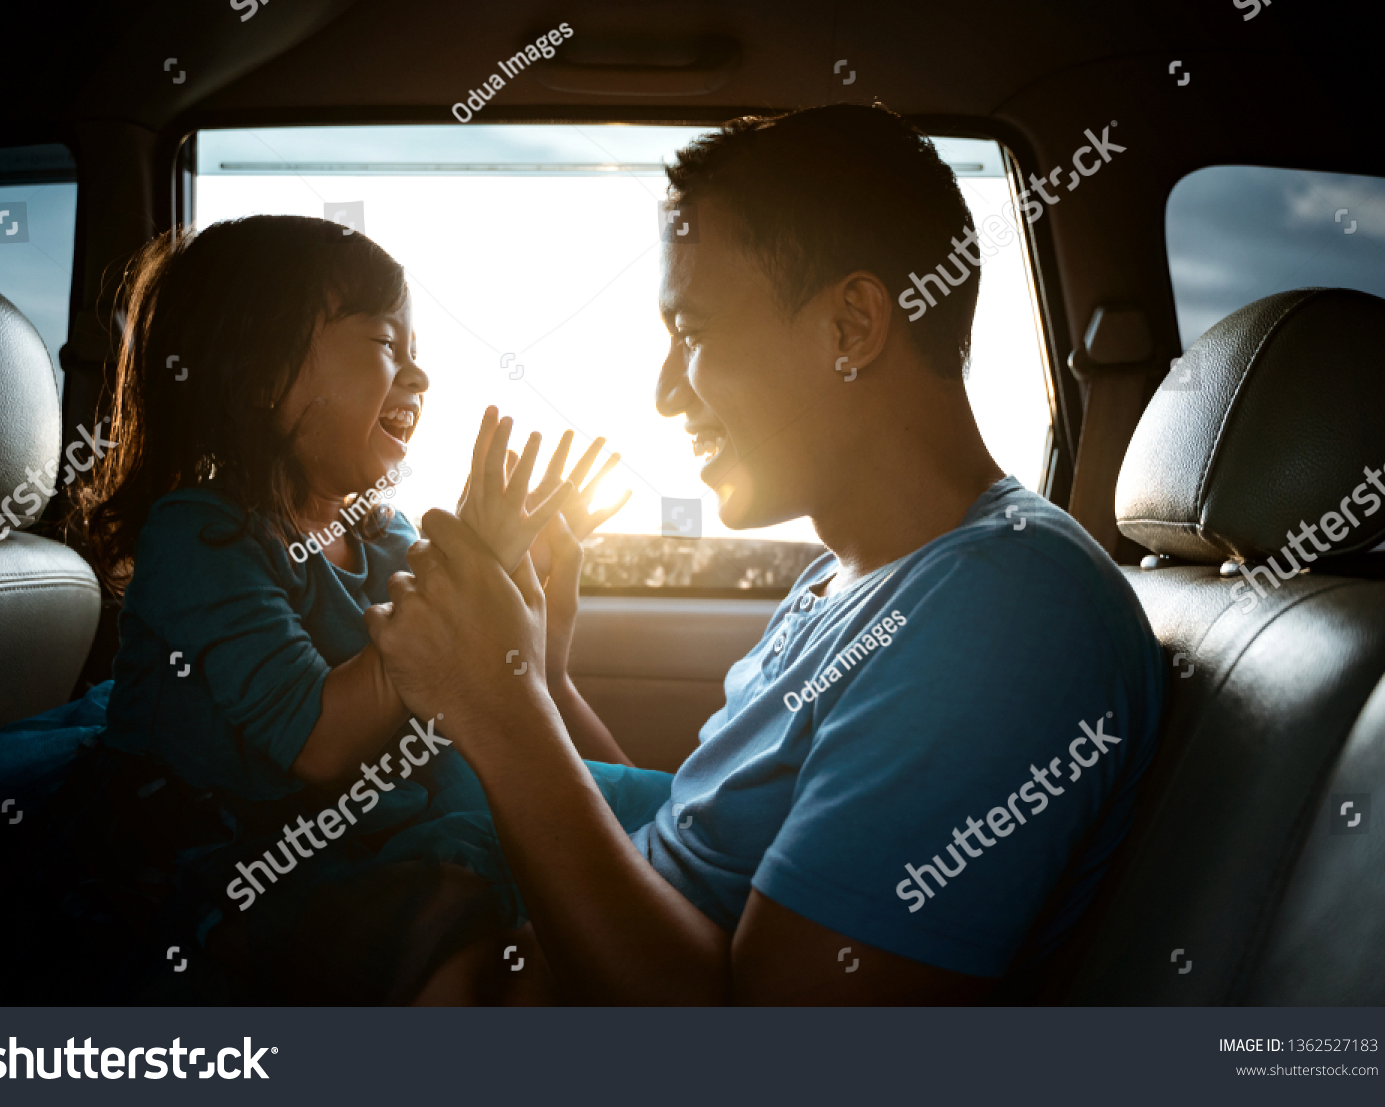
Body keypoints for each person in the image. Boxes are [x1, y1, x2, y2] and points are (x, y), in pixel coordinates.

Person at [368, 104, 1168, 1004]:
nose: (667, 393)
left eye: (695, 334)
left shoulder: (1008, 613)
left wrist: (499, 711)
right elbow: (694, 842)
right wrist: (543, 679)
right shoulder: (844, 579)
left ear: (851, 327)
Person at [0, 214, 672, 1004]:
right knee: (450, 939)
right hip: (224, 847)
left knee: (660, 828)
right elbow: (318, 738)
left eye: (419, 355)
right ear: (259, 376)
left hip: (369, 819)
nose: (418, 379)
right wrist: (464, 577)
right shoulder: (200, 537)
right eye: (388, 345)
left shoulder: (386, 535)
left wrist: (520, 610)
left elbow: (503, 716)